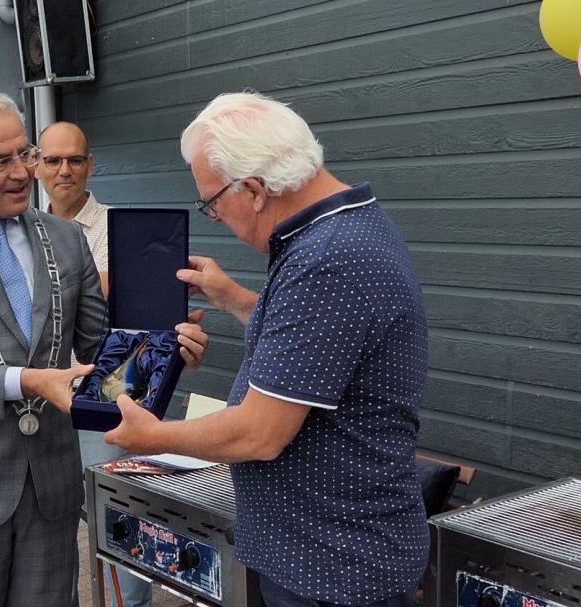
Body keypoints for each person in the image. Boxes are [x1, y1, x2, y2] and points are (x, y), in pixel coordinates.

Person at [0, 87, 208, 607]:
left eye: (24, 153)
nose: (21, 172)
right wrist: (27, 381)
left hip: (51, 482)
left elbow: (100, 348)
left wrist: (161, 349)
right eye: (0, 160)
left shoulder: (63, 236)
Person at [105, 92, 430, 607]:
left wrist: (153, 435)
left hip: (330, 566)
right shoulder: (345, 224)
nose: (215, 216)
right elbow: (318, 345)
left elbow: (260, 434)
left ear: (253, 190)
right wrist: (233, 297)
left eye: (212, 203)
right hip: (333, 554)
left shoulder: (325, 259)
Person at [36, 121, 152, 607]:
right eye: (53, 160)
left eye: (75, 160)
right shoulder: (21, 225)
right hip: (39, 395)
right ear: (36, 164)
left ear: (90, 165)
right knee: (51, 523)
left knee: (118, 517)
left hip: (101, 395)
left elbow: (95, 303)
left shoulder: (115, 230)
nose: (65, 170)